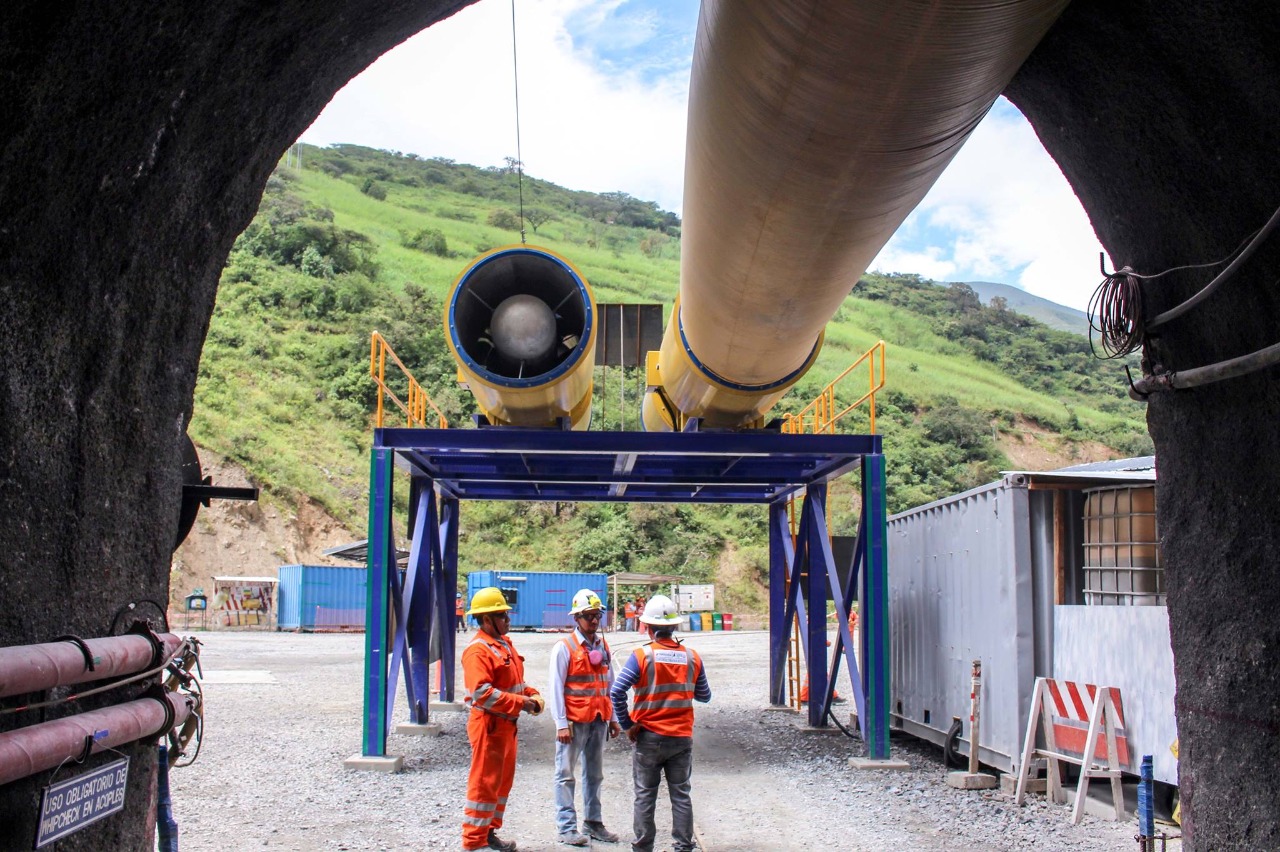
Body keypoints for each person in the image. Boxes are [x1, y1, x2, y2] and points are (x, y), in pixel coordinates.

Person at [609, 595, 711, 852]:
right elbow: (705, 695)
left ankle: (643, 848)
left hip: (649, 738)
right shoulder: (692, 657)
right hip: (680, 738)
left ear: (648, 627)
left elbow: (617, 691)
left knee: (645, 794)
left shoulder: (642, 656)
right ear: (674, 627)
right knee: (681, 794)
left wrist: (627, 724)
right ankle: (683, 847)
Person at [461, 587, 545, 852]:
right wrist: (522, 703)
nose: (508, 620)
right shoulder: (478, 651)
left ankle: (489, 834)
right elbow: (482, 693)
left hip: (506, 727)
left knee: (499, 784)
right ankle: (474, 843)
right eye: (502, 615)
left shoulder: (504, 644)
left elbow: (512, 684)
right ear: (487, 620)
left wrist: (531, 694)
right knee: (484, 784)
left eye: (507, 614)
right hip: (489, 726)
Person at [548, 589, 622, 846]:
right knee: (565, 774)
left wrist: (613, 718)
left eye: (597, 615)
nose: (593, 621)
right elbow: (555, 687)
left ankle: (593, 822)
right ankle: (567, 828)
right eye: (588, 616)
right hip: (574, 722)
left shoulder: (603, 646)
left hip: (598, 719)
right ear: (576, 618)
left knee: (595, 774)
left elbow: (609, 683)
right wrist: (560, 724)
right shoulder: (564, 648)